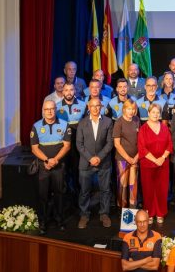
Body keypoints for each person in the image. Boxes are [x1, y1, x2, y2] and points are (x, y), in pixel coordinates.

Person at [30, 100, 72, 232]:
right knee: (43, 195)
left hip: (59, 166)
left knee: (59, 194)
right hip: (43, 167)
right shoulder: (36, 126)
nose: (49, 111)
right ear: (43, 110)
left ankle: (59, 220)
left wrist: (55, 160)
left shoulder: (65, 125)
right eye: (47, 109)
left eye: (52, 109)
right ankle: (43, 221)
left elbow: (67, 146)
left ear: (55, 109)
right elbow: (34, 148)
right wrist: (47, 160)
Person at [76, 98, 115, 228]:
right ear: (88, 106)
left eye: (98, 105)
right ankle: (84, 215)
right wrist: (90, 158)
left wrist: (99, 157)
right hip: (86, 163)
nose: (95, 108)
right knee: (84, 191)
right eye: (93, 106)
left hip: (104, 163)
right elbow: (79, 144)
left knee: (105, 190)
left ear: (101, 106)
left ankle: (104, 214)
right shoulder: (82, 123)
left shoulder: (108, 122)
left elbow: (110, 143)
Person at [138, 103, 173, 224]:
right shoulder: (143, 129)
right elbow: (142, 148)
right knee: (148, 190)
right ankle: (149, 213)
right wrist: (155, 160)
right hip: (147, 164)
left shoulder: (164, 127)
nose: (155, 115)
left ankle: (160, 213)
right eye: (153, 112)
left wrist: (163, 158)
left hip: (163, 164)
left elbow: (169, 144)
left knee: (161, 189)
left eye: (158, 113)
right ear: (148, 113)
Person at [114, 99, 141, 208]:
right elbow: (117, 144)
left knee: (133, 185)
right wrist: (128, 158)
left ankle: (132, 208)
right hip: (122, 159)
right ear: (124, 109)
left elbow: (140, 140)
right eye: (129, 109)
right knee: (123, 186)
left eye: (133, 109)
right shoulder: (118, 122)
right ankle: (123, 210)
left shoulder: (137, 120)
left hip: (135, 159)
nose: (131, 111)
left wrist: (136, 157)